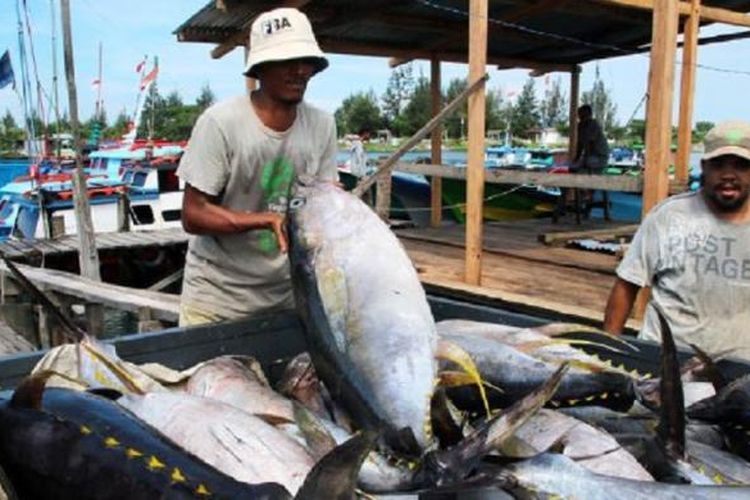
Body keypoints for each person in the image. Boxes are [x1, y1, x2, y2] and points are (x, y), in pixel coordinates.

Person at [176, 7, 338, 326]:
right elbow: (193, 214)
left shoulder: (322, 125)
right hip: (218, 301)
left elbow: (325, 200)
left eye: (306, 62)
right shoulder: (221, 123)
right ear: (260, 68)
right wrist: (263, 220)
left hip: (291, 296)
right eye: (287, 61)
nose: (300, 70)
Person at [603, 120, 750, 359]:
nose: (728, 175)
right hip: (667, 365)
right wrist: (608, 354)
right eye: (718, 164)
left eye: (741, 166)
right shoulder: (669, 217)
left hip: (739, 372)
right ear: (704, 167)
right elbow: (627, 284)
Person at [573, 104, 610, 173]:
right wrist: (576, 160)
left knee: (584, 170)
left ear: (589, 115)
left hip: (599, 157)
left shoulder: (593, 125)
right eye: (580, 115)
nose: (581, 117)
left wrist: (585, 160)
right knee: (574, 169)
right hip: (589, 157)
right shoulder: (580, 126)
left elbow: (590, 143)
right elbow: (580, 144)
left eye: (583, 115)